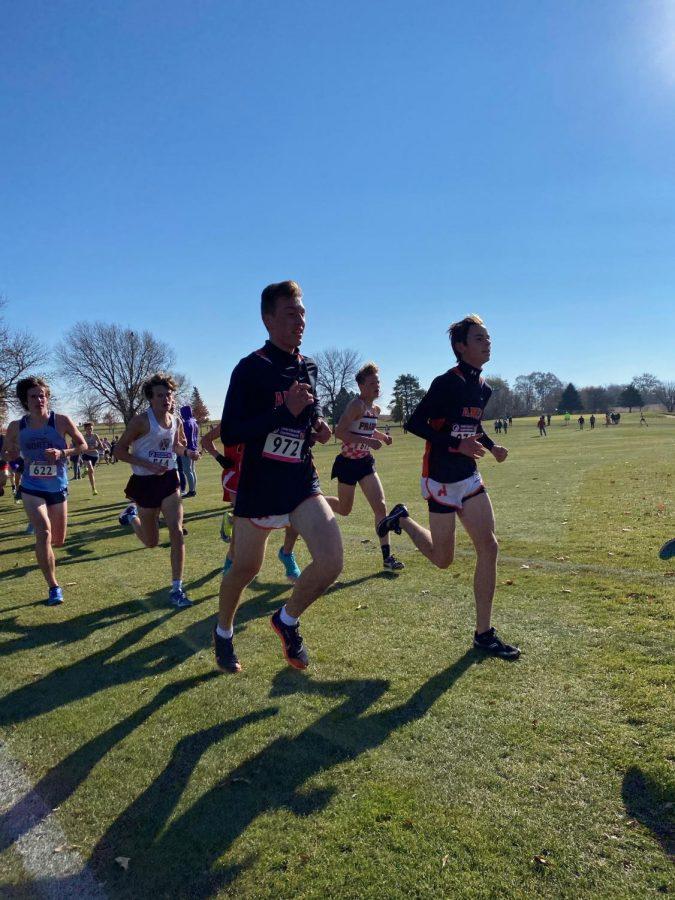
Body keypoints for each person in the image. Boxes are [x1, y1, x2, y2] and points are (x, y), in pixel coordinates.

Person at [214, 280, 341, 674]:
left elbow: (307, 415)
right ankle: (223, 631)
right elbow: (233, 431)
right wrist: (282, 412)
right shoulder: (251, 368)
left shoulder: (309, 367)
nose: (299, 321)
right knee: (245, 570)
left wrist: (318, 424)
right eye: (290, 314)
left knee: (332, 560)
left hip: (300, 481)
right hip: (258, 486)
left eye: (302, 313)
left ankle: (286, 620)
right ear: (267, 319)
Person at [376, 314, 520, 659]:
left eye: (488, 338)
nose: (488, 343)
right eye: (480, 338)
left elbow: (472, 424)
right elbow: (414, 424)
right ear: (461, 347)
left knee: (490, 546)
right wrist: (457, 446)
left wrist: (489, 444)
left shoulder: (484, 388)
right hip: (439, 477)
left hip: (469, 477)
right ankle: (403, 520)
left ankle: (483, 634)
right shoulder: (446, 383)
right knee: (443, 560)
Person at [115, 372, 200, 609]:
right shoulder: (140, 421)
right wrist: (147, 464)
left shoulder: (177, 421)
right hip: (144, 482)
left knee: (176, 530)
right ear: (151, 399)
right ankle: (132, 517)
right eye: (161, 395)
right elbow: (119, 451)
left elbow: (176, 445)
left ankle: (177, 588)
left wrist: (188, 452)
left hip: (169, 480)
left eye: (169, 395)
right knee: (151, 542)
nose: (166, 399)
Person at [3, 376, 86, 605]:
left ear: (47, 397)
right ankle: (53, 586)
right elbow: (9, 453)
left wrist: (63, 454)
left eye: (42, 395)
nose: (39, 399)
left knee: (58, 540)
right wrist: (12, 459)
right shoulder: (16, 426)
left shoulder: (61, 421)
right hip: (31, 487)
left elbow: (83, 445)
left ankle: (46, 557)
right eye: (34, 396)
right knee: (44, 531)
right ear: (25, 401)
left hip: (57, 487)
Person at [325, 362, 404, 571]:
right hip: (348, 464)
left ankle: (387, 558)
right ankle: (315, 502)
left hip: (365, 463)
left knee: (381, 507)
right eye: (371, 383)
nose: (376, 386)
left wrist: (382, 437)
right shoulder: (356, 406)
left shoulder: (374, 409)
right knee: (344, 509)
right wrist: (369, 442)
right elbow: (339, 432)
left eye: (378, 382)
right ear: (361, 386)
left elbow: (368, 430)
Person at [201, 422, 303, 580]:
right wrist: (219, 457)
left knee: (295, 513)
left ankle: (287, 554)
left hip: (264, 476)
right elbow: (206, 440)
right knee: (242, 522)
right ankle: (231, 559)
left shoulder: (269, 417)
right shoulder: (231, 420)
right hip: (236, 478)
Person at [180, 404, 199, 497]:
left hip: (187, 449)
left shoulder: (186, 423)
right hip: (194, 448)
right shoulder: (194, 422)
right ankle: (193, 489)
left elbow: (184, 438)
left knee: (187, 471)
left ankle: (191, 491)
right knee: (192, 470)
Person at [81, 423, 103, 495]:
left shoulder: (95, 435)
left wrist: (96, 447)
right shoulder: (83, 437)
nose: (90, 430)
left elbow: (100, 446)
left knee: (91, 472)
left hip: (94, 455)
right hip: (86, 455)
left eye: (91, 428)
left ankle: (93, 488)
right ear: (85, 429)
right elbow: (82, 448)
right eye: (88, 429)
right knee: (90, 467)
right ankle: (85, 469)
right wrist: (88, 448)